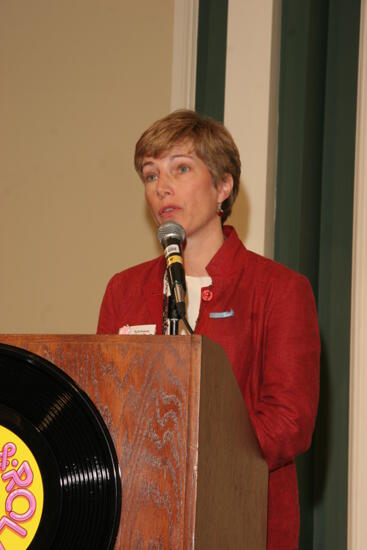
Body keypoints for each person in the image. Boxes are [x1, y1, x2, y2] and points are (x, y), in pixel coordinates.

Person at [97, 109, 320, 549]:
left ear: (223, 186)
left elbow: (289, 420)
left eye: (181, 168)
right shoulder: (124, 289)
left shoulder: (279, 289)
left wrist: (194, 454)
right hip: (142, 522)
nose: (162, 186)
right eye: (150, 174)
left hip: (244, 521)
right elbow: (106, 403)